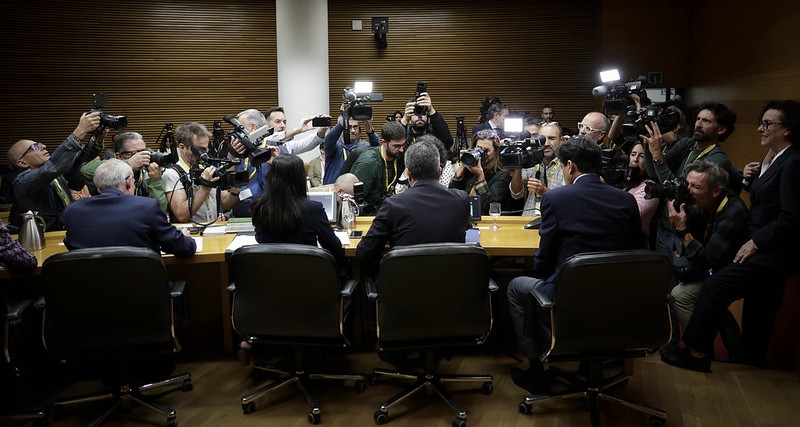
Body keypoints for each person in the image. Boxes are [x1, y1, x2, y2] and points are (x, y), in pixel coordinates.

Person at [506, 136, 645, 394]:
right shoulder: (625, 200)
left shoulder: (556, 199)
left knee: (516, 286)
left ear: (570, 166)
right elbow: (637, 248)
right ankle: (588, 357)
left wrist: (542, 273)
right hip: (617, 300)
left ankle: (536, 368)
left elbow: (544, 260)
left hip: (568, 301)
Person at [668, 100, 800, 371]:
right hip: (764, 246)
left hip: (773, 250)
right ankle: (751, 363)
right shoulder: (773, 157)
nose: (760, 129)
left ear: (788, 129)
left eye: (767, 124)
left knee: (717, 286)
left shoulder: (793, 161)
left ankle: (695, 353)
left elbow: (792, 216)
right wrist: (749, 179)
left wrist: (756, 241)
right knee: (760, 310)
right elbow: (767, 200)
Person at [659, 160, 749, 367]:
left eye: (695, 187)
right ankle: (737, 352)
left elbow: (708, 258)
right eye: (686, 184)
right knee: (711, 303)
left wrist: (682, 229)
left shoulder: (733, 213)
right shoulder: (703, 204)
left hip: (733, 273)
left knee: (681, 295)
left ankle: (698, 350)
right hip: (715, 271)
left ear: (716, 191)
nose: (687, 191)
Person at [356, 140, 470, 278]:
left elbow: (364, 252)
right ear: (439, 172)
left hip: (405, 290)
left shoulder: (393, 205)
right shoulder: (461, 200)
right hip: (451, 288)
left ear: (408, 174)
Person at [62, 159, 196, 258]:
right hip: (143, 292)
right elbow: (183, 248)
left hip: (90, 293)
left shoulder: (72, 211)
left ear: (98, 188)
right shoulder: (147, 207)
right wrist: (184, 237)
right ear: (128, 182)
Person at [6, 112, 101, 232]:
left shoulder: (55, 174)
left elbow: (77, 162)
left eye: (40, 144)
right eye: (35, 147)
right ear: (22, 163)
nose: (44, 146)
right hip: (44, 237)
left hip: (64, 230)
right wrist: (79, 132)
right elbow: (51, 169)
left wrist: (97, 140)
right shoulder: (23, 181)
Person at [250, 154, 345, 268]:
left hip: (271, 279)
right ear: (300, 179)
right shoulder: (313, 209)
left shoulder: (259, 207)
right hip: (308, 278)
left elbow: (260, 239)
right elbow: (334, 248)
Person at [161, 122, 240, 223]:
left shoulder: (206, 168)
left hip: (213, 230)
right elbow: (181, 215)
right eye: (200, 149)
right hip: (189, 234)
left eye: (207, 147)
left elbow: (226, 203)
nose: (206, 152)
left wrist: (234, 191)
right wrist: (205, 188)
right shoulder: (173, 174)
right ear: (182, 147)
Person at [80, 131, 168, 212]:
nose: (142, 156)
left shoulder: (149, 173)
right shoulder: (109, 172)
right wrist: (128, 163)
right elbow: (85, 170)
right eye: (135, 153)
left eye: (144, 151)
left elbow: (160, 210)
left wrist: (155, 181)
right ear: (119, 156)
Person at [509, 122, 566, 216]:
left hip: (554, 222)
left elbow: (566, 201)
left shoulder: (566, 165)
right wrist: (518, 165)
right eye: (543, 139)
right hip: (528, 220)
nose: (546, 143)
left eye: (552, 138)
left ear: (561, 140)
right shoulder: (530, 161)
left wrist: (543, 191)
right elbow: (516, 194)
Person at [450, 129, 511, 215]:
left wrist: (481, 177)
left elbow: (490, 208)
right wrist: (462, 167)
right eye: (478, 149)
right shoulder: (469, 171)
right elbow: (450, 198)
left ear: (495, 152)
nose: (481, 154)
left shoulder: (502, 175)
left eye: (487, 151)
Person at [350, 121, 405, 214]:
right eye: (397, 146)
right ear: (384, 142)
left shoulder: (399, 157)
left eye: (403, 145)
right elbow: (357, 200)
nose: (401, 149)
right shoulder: (369, 163)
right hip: (370, 213)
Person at [322, 104, 380, 185]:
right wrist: (345, 118)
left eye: (355, 127)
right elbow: (330, 139)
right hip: (334, 191)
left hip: (355, 192)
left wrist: (369, 129)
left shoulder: (363, 147)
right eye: (349, 127)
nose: (352, 130)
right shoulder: (335, 147)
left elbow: (377, 148)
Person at [622, 142, 659, 239]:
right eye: (633, 154)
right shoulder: (625, 182)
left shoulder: (650, 187)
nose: (635, 160)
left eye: (642, 156)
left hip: (635, 243)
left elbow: (633, 215)